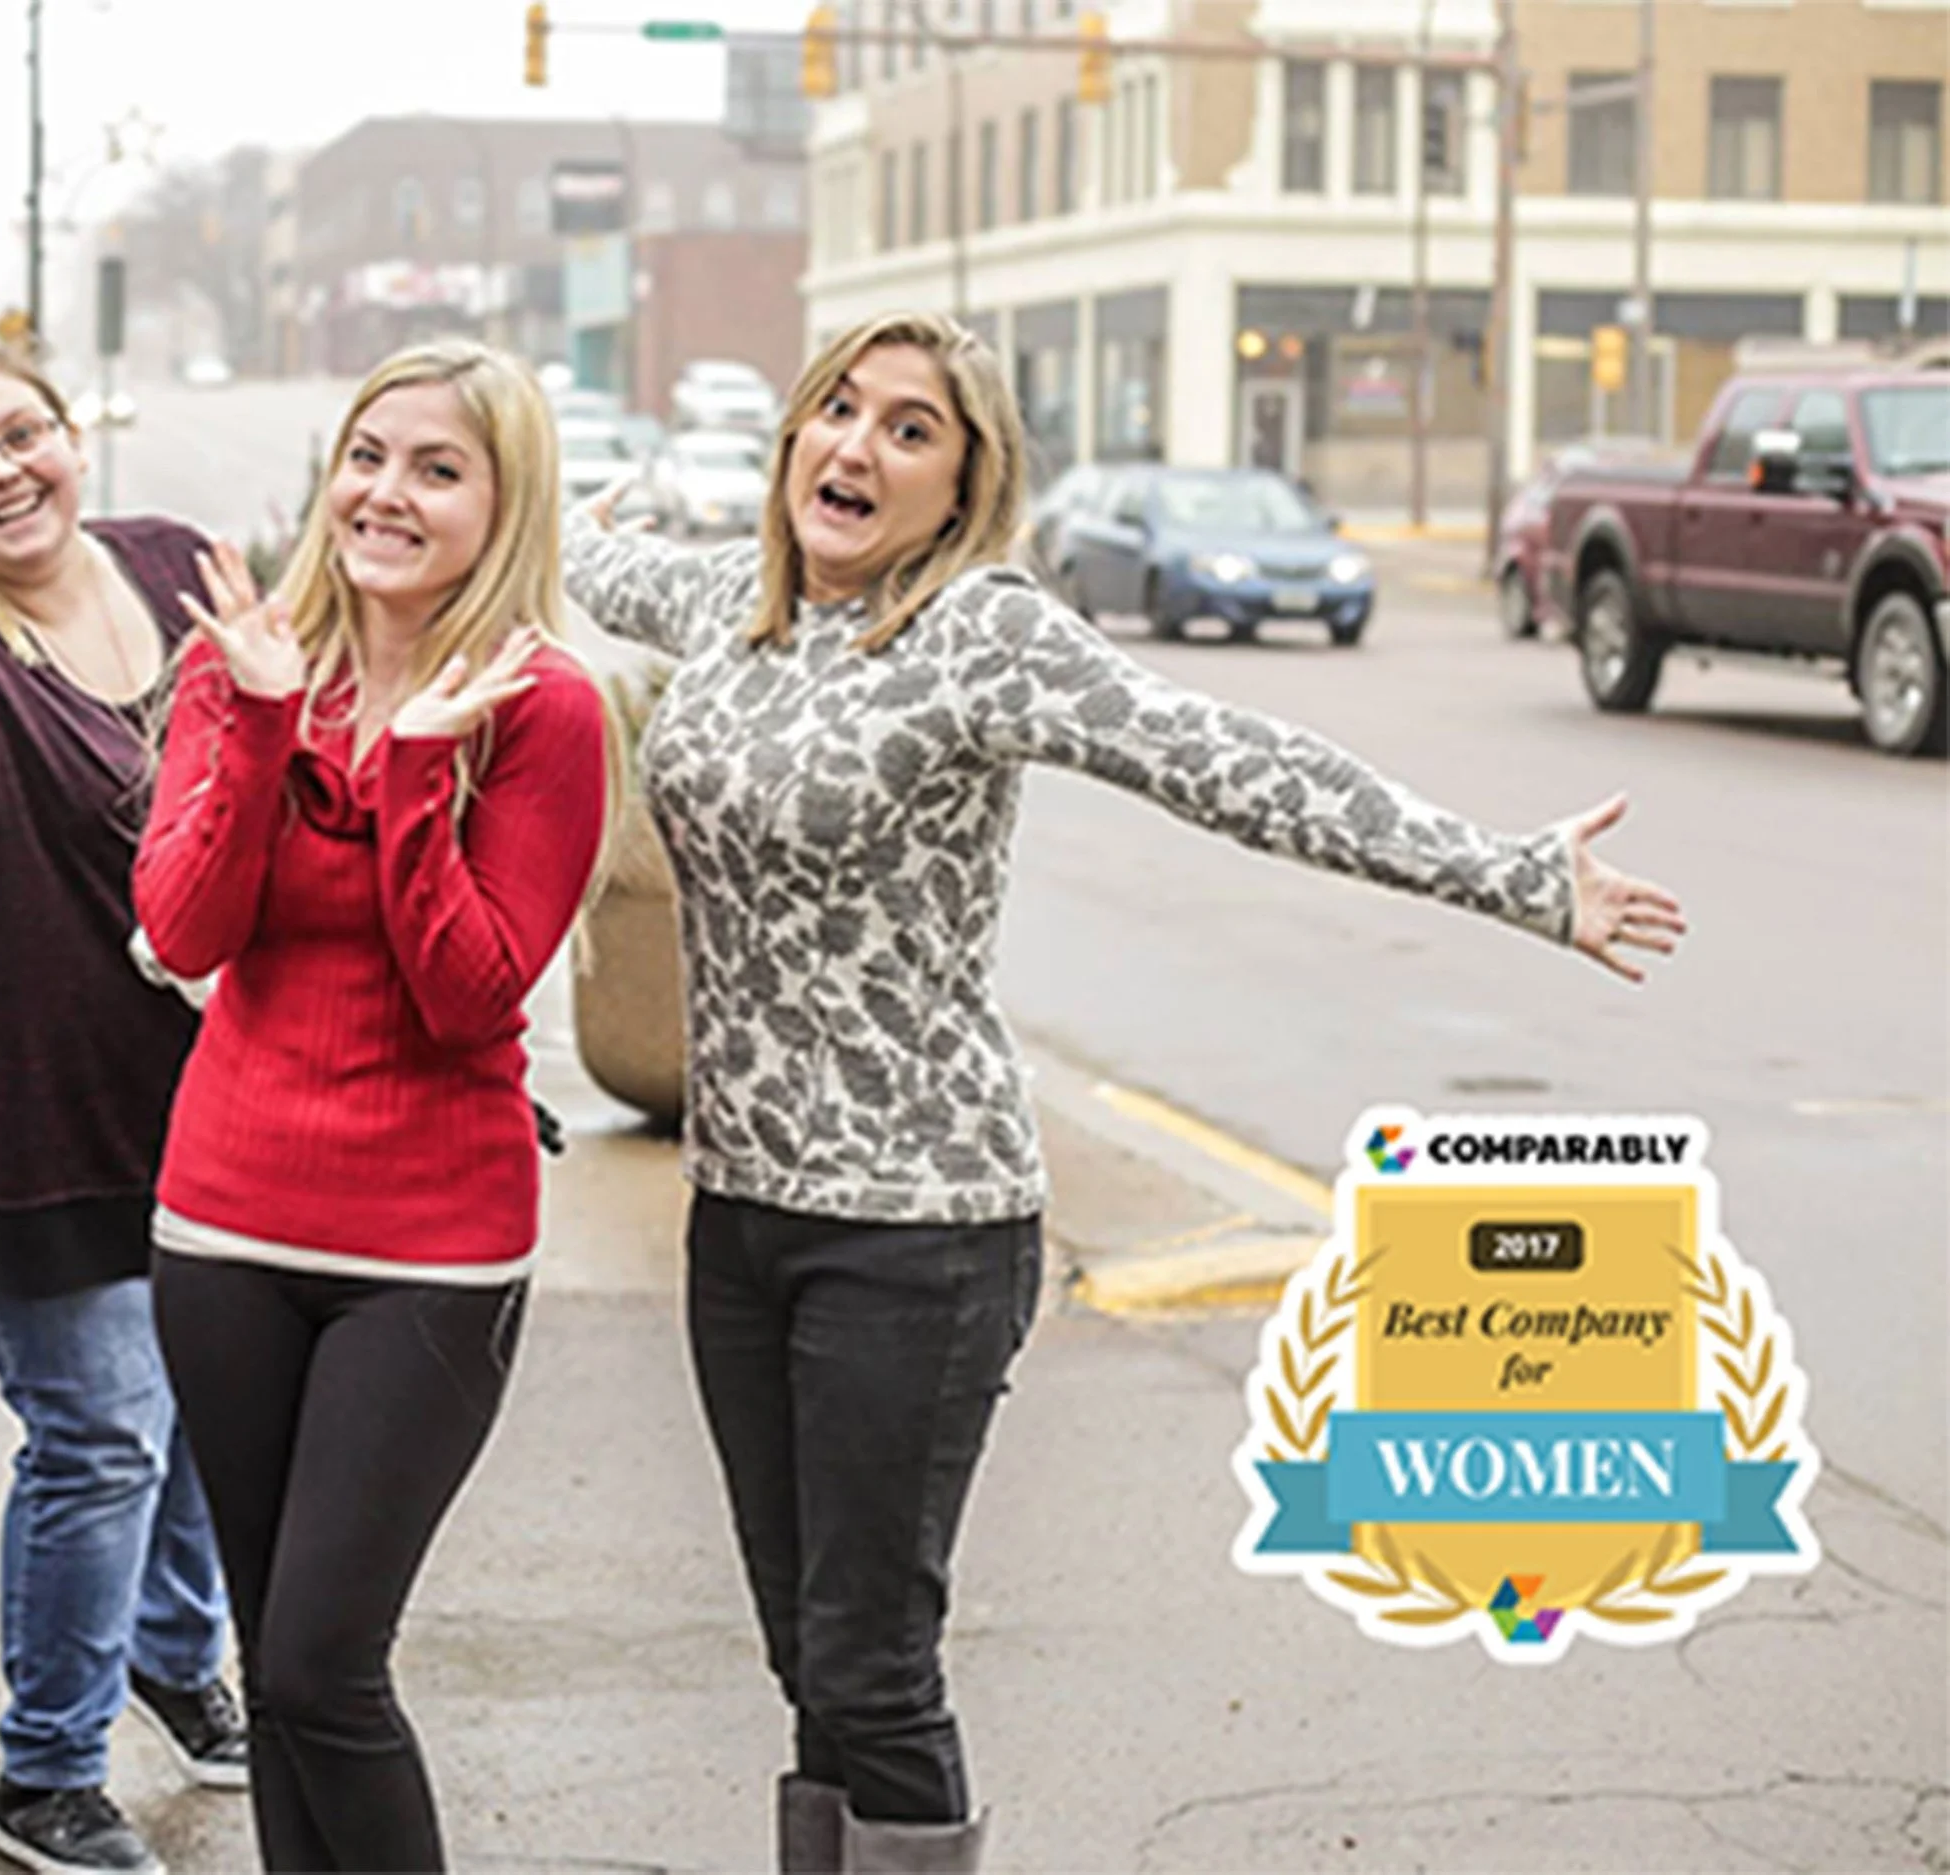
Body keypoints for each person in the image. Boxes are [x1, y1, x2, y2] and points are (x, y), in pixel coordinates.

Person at [563, 310, 1686, 1875]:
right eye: (840, 409)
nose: (857, 446)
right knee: (808, 1657)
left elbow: (1223, 758)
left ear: (963, 485)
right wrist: (555, 517)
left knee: (873, 1664)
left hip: (917, 1228)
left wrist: (1515, 876)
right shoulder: (733, 605)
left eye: (910, 429)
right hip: (741, 1215)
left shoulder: (979, 632)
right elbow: (583, 563)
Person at [134, 338, 607, 1874]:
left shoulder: (544, 708)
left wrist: (412, 774)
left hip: (430, 1250)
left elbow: (471, 994)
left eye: (438, 468)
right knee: (275, 1666)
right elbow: (185, 929)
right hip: (225, 1227)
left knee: (323, 1661)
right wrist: (265, 724)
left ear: (504, 502)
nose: (387, 493)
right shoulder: (242, 666)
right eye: (369, 455)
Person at [0, 337, 247, 1875]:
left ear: (76, 436)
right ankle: (47, 1773)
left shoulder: (174, 567)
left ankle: (172, 1651)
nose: (4, 470)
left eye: (26, 434)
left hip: (195, 1088)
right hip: (8, 1099)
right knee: (100, 1431)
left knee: (203, 1392)